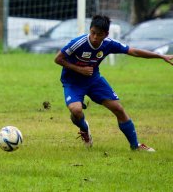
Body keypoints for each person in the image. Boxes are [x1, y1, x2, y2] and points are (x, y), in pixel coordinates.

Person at [54, 15, 173, 152]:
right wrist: (80, 69)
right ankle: (84, 129)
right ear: (90, 30)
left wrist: (160, 56)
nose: (94, 37)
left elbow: (133, 51)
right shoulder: (78, 43)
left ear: (106, 34)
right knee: (76, 110)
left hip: (94, 80)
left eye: (99, 35)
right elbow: (58, 59)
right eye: (92, 33)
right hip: (73, 82)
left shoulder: (109, 44)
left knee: (118, 108)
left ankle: (135, 146)